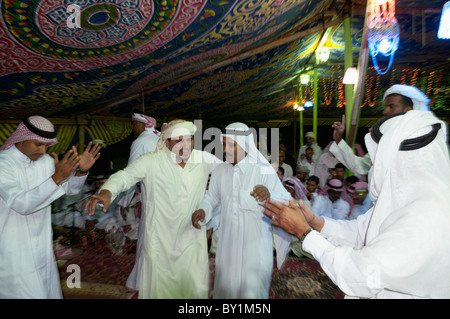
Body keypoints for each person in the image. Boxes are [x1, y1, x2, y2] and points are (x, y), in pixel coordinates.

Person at [263, 110, 450, 298]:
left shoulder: (428, 217)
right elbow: (363, 232)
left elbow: (361, 275)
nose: (371, 167)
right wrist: (313, 221)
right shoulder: (407, 199)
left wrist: (303, 232)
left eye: (375, 161)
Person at [84, 119, 221, 299]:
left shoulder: (203, 159)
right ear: (167, 142)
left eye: (189, 140)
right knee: (159, 290)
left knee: (192, 288)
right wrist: (107, 191)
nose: (185, 146)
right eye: (179, 140)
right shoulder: (152, 161)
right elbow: (124, 176)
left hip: (191, 236)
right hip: (160, 240)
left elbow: (229, 171)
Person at [0, 115, 101, 299]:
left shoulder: (45, 161)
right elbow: (21, 204)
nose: (43, 150)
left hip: (42, 247)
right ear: (21, 138)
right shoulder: (3, 164)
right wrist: (56, 178)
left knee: (49, 292)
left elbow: (69, 189)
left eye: (46, 145)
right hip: (14, 249)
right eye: (38, 144)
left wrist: (81, 171)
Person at [191, 122, 292, 299]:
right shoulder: (220, 171)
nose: (225, 149)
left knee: (252, 293)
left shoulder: (263, 170)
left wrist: (270, 195)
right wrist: (203, 210)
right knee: (227, 290)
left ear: (244, 145)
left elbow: (285, 200)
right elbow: (211, 198)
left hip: (255, 246)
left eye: (231, 145)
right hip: (228, 243)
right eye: (224, 145)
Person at [330, 84, 431, 175]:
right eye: (386, 107)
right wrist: (338, 139)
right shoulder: (383, 140)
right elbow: (360, 166)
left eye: (391, 107)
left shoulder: (424, 140)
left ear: (408, 110)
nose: (385, 111)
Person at [117, 113, 160, 291]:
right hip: (167, 197)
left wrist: (125, 200)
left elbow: (130, 173)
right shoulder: (159, 139)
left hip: (152, 197)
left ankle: (141, 282)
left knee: (147, 240)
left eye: (134, 125)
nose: (132, 128)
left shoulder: (141, 142)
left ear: (143, 125)